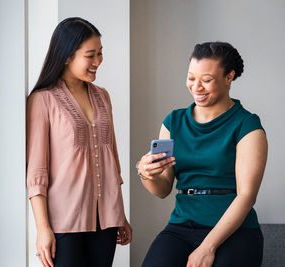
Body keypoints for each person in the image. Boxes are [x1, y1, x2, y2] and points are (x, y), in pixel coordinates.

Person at [137, 41, 268, 267]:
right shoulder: (172, 122)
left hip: (234, 230)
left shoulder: (248, 125)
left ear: (229, 77)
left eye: (206, 80)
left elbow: (247, 196)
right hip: (181, 227)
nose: (196, 87)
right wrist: (146, 174)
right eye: (191, 78)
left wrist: (207, 247)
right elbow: (163, 189)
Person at [26, 17, 132, 267]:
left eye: (100, 53)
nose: (98, 62)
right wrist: (43, 229)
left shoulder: (103, 97)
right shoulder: (43, 100)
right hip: (64, 222)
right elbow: (36, 173)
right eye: (90, 55)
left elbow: (112, 163)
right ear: (66, 57)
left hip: (106, 220)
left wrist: (121, 215)